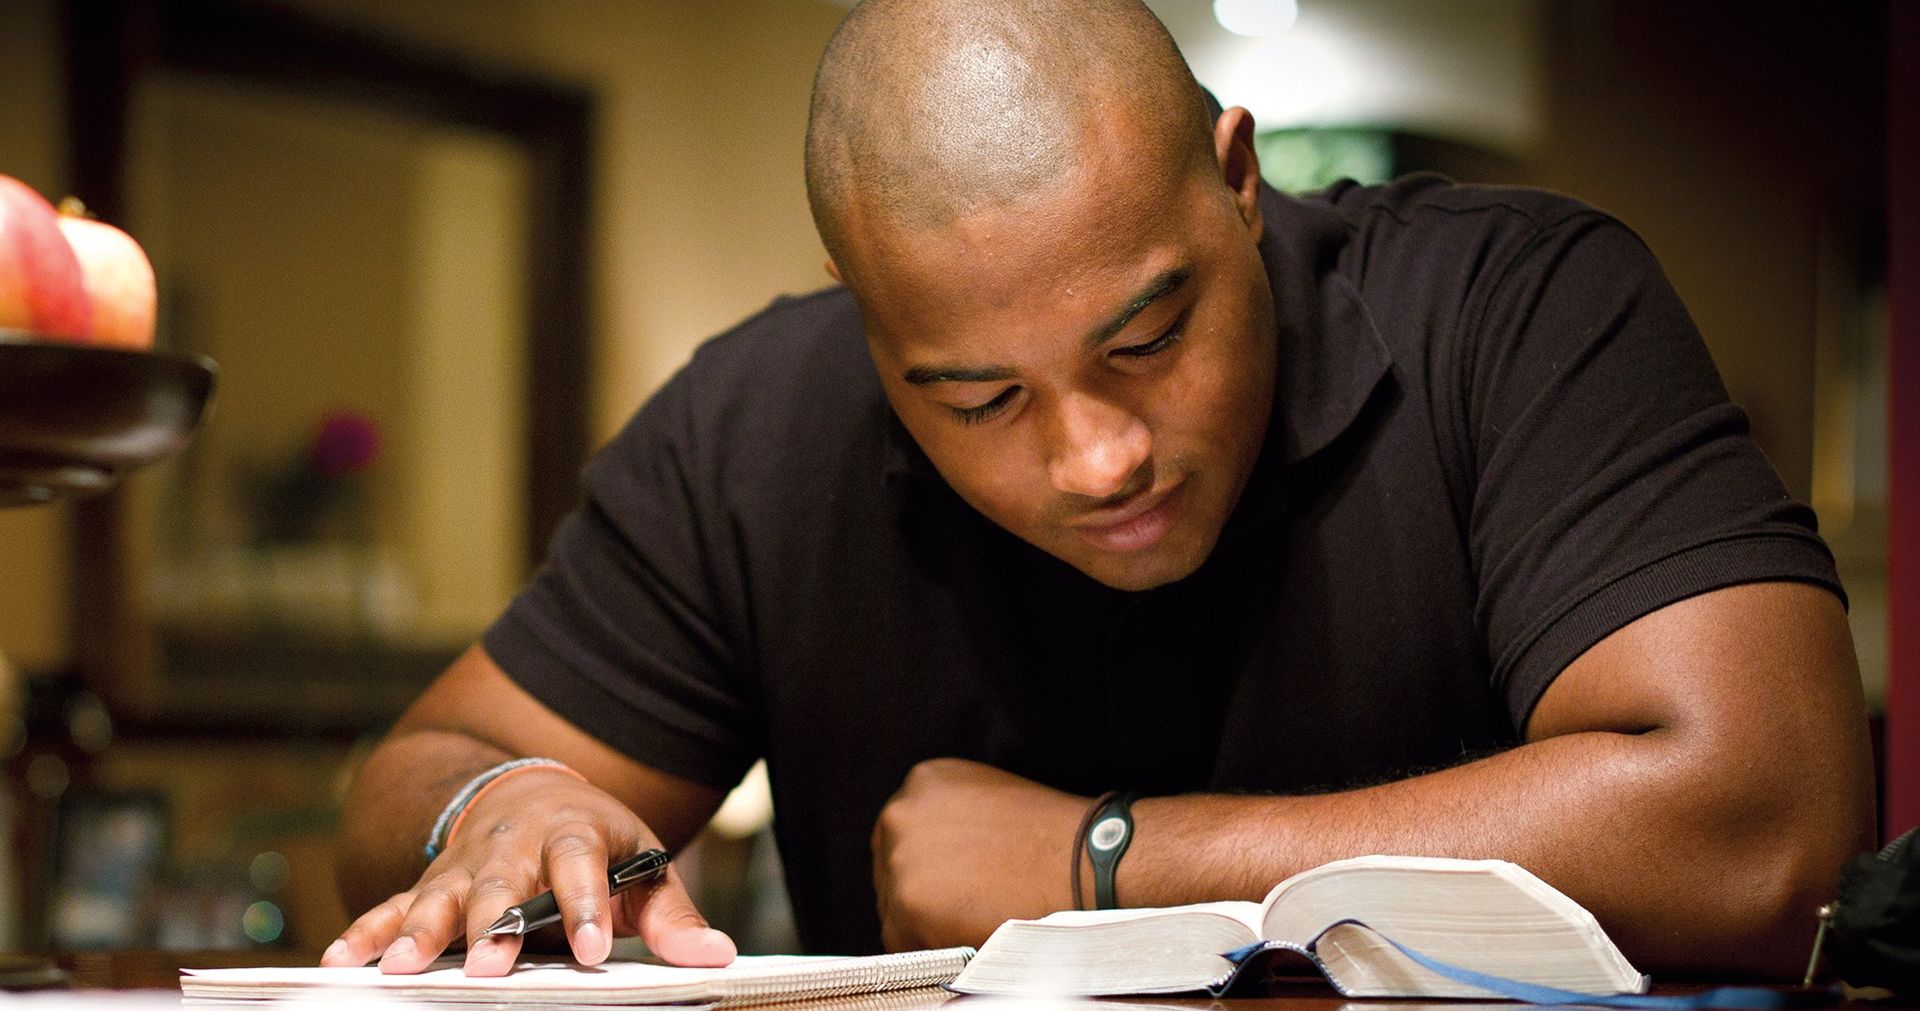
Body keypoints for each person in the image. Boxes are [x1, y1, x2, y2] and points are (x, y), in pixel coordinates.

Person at [323, 0, 1876, 981]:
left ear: (1237, 180)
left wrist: (1106, 865)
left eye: (1150, 335)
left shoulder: (1517, 308)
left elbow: (1761, 829)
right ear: (861, 318)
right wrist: (496, 804)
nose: (1096, 456)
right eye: (974, 396)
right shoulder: (753, 425)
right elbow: (410, 785)